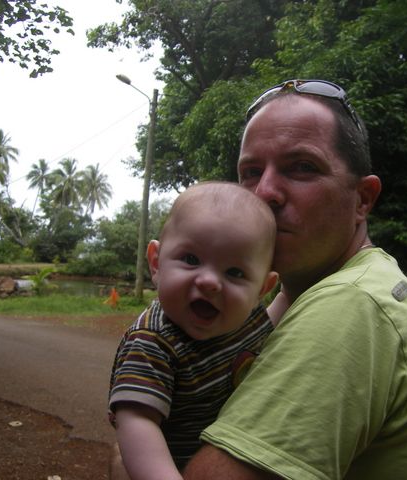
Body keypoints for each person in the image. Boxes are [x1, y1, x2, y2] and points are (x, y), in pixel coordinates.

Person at [180, 80, 407, 479]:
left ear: (362, 199)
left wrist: (126, 457)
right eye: (251, 171)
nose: (265, 192)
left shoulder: (353, 303)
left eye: (302, 168)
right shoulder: (304, 294)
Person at [108, 182, 280, 480]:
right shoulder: (153, 342)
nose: (210, 281)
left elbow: (282, 313)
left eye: (235, 272)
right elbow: (137, 423)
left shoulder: (250, 317)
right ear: (156, 262)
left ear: (262, 289)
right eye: (191, 260)